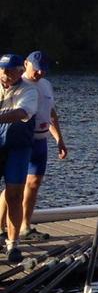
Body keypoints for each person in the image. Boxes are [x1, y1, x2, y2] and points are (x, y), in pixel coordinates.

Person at [20, 51, 67, 242]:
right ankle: (0, 228)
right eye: (37, 70)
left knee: (33, 184)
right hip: (22, 141)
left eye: (43, 71)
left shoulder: (46, 85)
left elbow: (51, 114)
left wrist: (59, 140)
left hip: (41, 141)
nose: (40, 74)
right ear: (26, 64)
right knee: (13, 187)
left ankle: (25, 226)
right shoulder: (19, 85)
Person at [1, 54, 38, 263]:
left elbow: (22, 113)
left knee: (14, 195)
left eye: (10, 70)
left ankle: (13, 244)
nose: (6, 75)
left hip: (18, 146)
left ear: (19, 71)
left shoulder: (29, 89)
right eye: (3, 70)